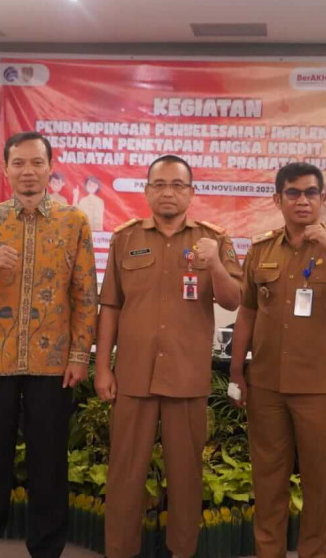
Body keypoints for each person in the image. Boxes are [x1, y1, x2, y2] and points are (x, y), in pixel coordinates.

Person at [0, 131, 98, 558]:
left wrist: (79, 356)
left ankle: (47, 549)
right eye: (19, 163)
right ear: (7, 169)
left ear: (50, 168)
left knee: (48, 463)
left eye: (36, 163)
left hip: (53, 364)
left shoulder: (74, 221)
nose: (28, 171)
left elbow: (85, 294)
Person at [228, 162, 326, 558]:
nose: (302, 200)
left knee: (319, 483)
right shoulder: (261, 249)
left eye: (311, 193)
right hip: (266, 385)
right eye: (293, 193)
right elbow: (247, 312)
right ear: (278, 199)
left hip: (320, 388)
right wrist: (236, 370)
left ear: (322, 198)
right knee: (268, 481)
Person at [95, 155, 243, 558]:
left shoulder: (213, 240)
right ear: (146, 191)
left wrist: (215, 263)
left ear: (191, 193)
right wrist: (102, 367)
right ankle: (120, 551)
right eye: (159, 184)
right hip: (133, 376)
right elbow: (110, 306)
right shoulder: (125, 239)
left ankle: (182, 551)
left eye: (178, 185)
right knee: (125, 473)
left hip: (186, 376)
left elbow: (234, 301)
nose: (168, 193)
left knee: (186, 476)